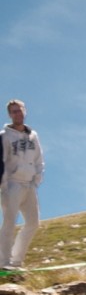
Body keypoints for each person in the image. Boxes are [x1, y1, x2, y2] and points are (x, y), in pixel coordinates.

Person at [0, 100, 44, 269]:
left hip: (29, 184)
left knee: (33, 223)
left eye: (19, 110)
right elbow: (2, 160)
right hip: (11, 184)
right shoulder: (4, 136)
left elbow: (39, 158)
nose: (17, 114)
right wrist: (3, 186)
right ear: (9, 115)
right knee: (9, 222)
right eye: (13, 111)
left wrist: (36, 179)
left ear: (24, 111)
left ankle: (17, 261)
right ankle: (3, 262)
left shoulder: (33, 135)